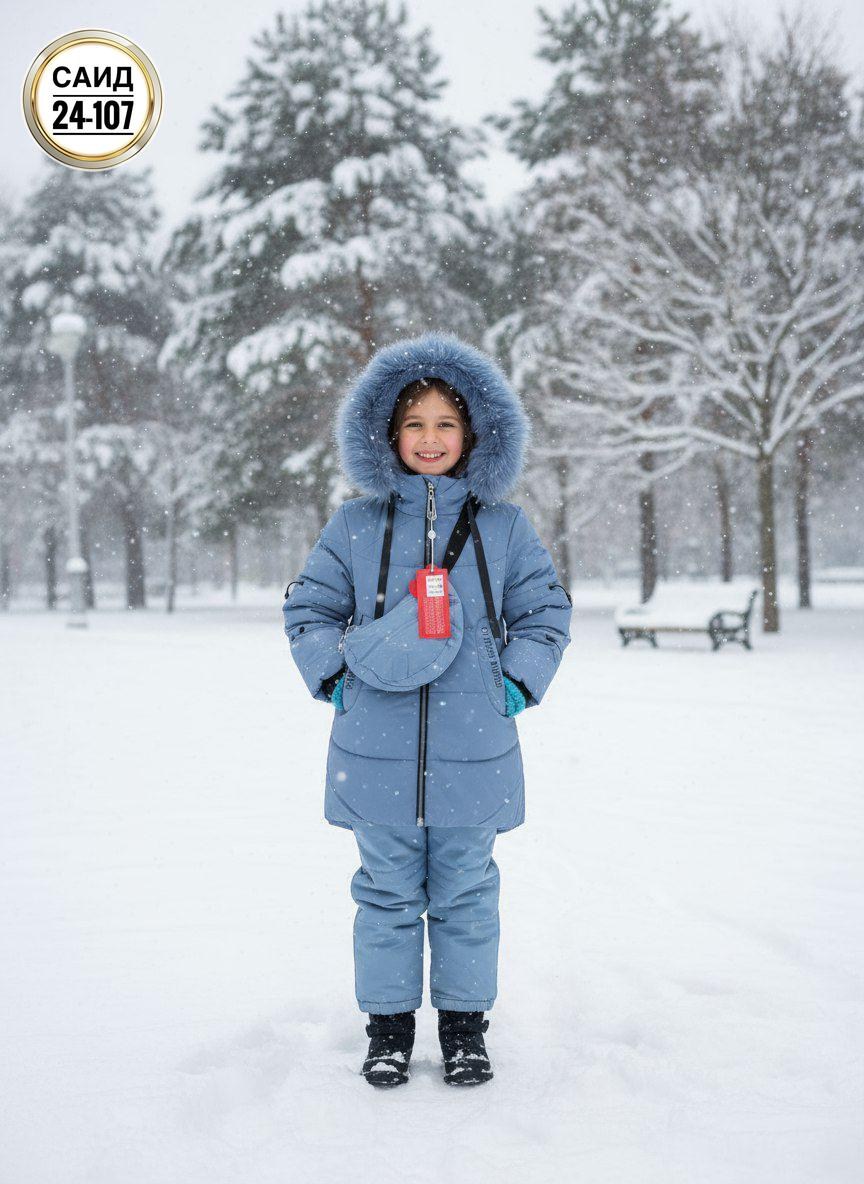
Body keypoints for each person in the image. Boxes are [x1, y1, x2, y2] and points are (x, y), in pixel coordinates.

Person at [283, 332, 572, 1088]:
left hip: (476, 749)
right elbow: (309, 608)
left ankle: (465, 1028)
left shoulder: (504, 529)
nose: (431, 439)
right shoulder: (353, 526)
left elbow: (545, 612)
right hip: (372, 747)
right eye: (414, 424)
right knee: (383, 893)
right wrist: (336, 674)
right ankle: (387, 1028)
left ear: (474, 432)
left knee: (468, 892)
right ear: (387, 434)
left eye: (446, 423)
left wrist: (514, 681)